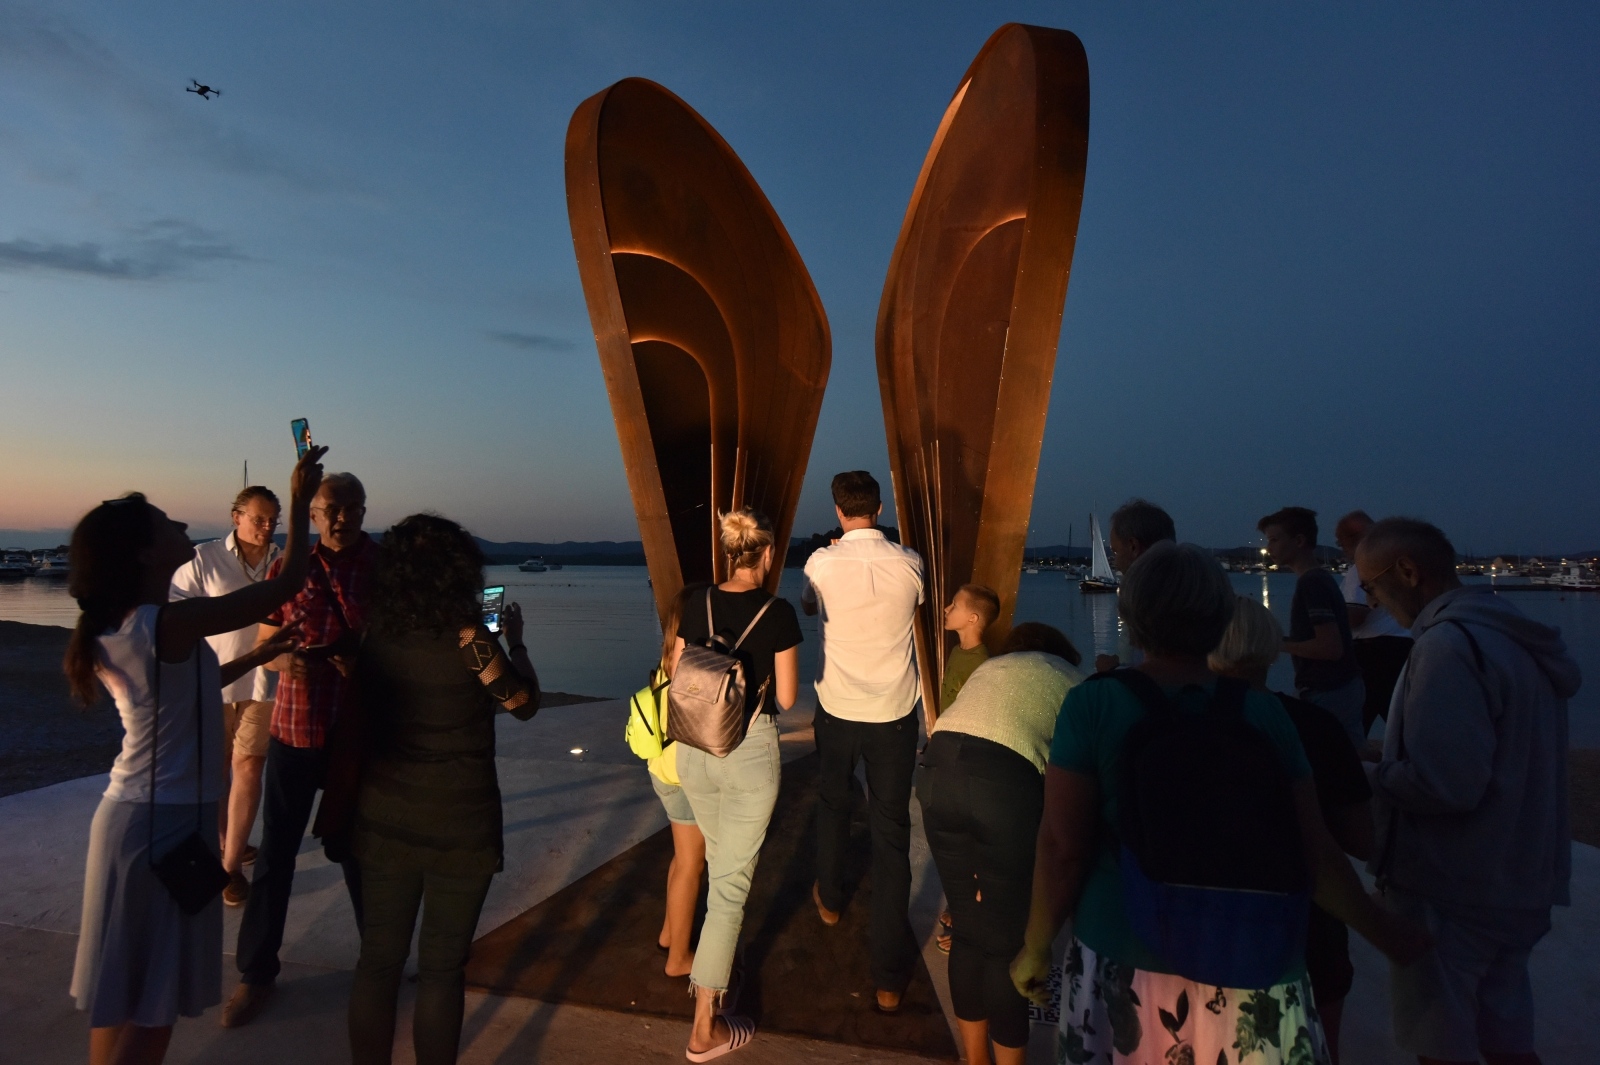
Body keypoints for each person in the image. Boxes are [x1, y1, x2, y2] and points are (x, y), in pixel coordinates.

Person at [1011, 542, 1426, 1065]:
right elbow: (1316, 853)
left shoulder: (1094, 704)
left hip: (1124, 958)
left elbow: (1062, 848)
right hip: (1255, 961)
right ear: (1219, 619)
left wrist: (1035, 946)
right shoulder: (1265, 715)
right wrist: (1386, 933)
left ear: (1133, 617)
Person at [65, 447, 325, 1065]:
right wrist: (297, 495)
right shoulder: (167, 623)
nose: (181, 526)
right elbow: (286, 584)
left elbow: (192, 689)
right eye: (165, 524)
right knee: (150, 1006)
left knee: (126, 995)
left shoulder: (135, 624)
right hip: (163, 825)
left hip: (146, 818)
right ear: (145, 553)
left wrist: (260, 658)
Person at [1357, 518, 1578, 1065]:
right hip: (1522, 878)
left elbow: (1446, 784)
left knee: (1442, 1044)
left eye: (1371, 586)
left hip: (1453, 887)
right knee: (1507, 1039)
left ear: (1407, 571)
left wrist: (1357, 776)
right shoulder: (1516, 638)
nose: (1372, 598)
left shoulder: (1447, 648)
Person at [345, 514, 541, 1065]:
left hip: (383, 815)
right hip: (460, 822)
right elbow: (522, 704)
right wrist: (517, 645)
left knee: (377, 963)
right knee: (440, 968)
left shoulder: (376, 633)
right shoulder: (469, 639)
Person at [225, 471, 379, 1027]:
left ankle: (378, 965)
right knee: (274, 858)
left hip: (356, 735)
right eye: (331, 508)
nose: (342, 517)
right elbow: (266, 645)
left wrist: (360, 661)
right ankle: (256, 974)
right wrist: (282, 660)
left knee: (363, 855)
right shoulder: (289, 567)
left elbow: (401, 651)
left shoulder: (383, 569)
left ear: (365, 511)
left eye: (352, 507)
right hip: (294, 728)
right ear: (313, 516)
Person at [1208, 596, 1374, 1064]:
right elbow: (1361, 839)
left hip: (1203, 926)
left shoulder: (1176, 725)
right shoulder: (1315, 727)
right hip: (1307, 925)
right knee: (1317, 1047)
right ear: (1270, 648)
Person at [918, 622, 1083, 1065]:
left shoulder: (992, 668)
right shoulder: (1072, 680)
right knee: (1009, 943)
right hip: (1001, 781)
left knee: (970, 929)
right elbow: (1073, 776)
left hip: (936, 770)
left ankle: (975, 1059)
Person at [673, 507, 801, 1060]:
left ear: (728, 550)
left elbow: (680, 670)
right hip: (746, 750)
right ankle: (704, 1028)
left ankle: (715, 973)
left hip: (693, 747)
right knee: (730, 886)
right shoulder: (778, 612)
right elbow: (790, 698)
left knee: (723, 863)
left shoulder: (692, 599)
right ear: (767, 553)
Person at [800, 470, 925, 1013]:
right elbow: (914, 607)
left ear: (838, 510)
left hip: (837, 705)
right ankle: (889, 978)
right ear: (879, 506)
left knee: (833, 803)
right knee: (891, 832)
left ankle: (830, 898)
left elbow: (809, 607)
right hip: (895, 713)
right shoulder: (911, 562)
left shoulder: (821, 563)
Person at [169, 486, 282, 907]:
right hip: (212, 681)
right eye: (259, 518)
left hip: (263, 685)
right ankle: (223, 840)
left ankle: (231, 866)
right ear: (236, 516)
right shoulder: (204, 558)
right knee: (215, 772)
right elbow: (175, 609)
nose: (267, 527)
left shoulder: (282, 562)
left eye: (273, 519)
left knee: (250, 767)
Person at [1260, 507, 1366, 749]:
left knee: (1329, 759)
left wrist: (1276, 643)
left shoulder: (1312, 584)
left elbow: (1330, 648)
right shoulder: (1321, 579)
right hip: (1343, 685)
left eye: (1275, 540)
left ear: (1299, 541)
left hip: (1329, 689)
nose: (1269, 548)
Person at [649, 582, 708, 979]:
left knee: (681, 856)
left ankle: (670, 934)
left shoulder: (668, 657)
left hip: (662, 770)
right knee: (692, 865)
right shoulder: (695, 662)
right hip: (685, 774)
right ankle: (679, 959)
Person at [1334, 510, 1414, 738]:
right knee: (1402, 719)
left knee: (1354, 723)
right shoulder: (1398, 566)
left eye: (1340, 543)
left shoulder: (1362, 567)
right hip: (1406, 648)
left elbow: (1356, 616)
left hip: (1374, 653)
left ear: (1351, 540)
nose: (1342, 550)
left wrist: (1325, 617)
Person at [1095, 498, 1176, 673]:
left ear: (1133, 547)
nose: (1115, 561)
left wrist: (1110, 670)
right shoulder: (1196, 589)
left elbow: (1138, 667)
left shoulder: (1142, 598)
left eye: (1115, 551)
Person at [940, 583, 998, 711]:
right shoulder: (957, 650)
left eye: (954, 605)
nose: (946, 609)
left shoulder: (981, 663)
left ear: (972, 619)